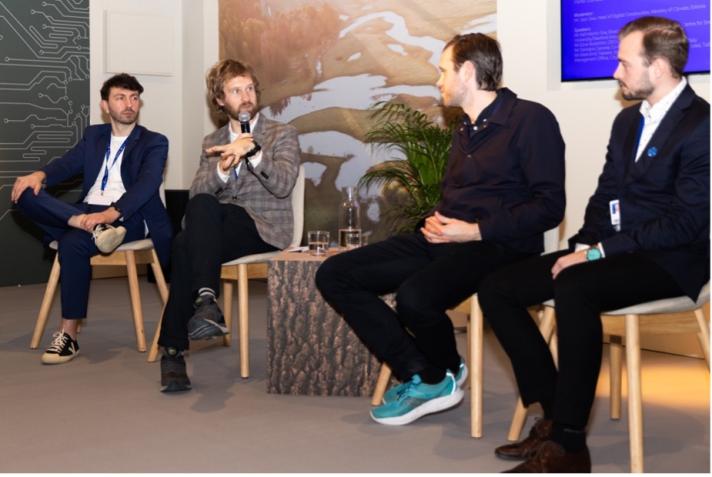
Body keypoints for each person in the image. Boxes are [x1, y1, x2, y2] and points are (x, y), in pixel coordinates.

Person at [478, 16, 709, 473]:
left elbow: (686, 223)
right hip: (613, 251)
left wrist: (599, 254)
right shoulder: (627, 122)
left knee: (576, 286)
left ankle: (569, 446)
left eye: (624, 62)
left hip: (672, 259)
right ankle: (553, 410)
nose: (615, 72)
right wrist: (582, 244)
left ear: (658, 66)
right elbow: (606, 196)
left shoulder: (701, 126)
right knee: (497, 288)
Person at [315, 33, 566, 426]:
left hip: (499, 246)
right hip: (445, 239)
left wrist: (475, 230)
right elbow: (459, 197)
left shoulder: (531, 120)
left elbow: (550, 206)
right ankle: (428, 373)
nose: (438, 80)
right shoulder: (463, 130)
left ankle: (436, 374)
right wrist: (435, 219)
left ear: (467, 72)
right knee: (335, 274)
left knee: (415, 298)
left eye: (443, 70)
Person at [158, 59, 301, 393]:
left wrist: (252, 153)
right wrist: (221, 169)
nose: (246, 96)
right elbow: (195, 198)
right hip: (218, 228)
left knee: (184, 244)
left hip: (263, 228)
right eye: (236, 91)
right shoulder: (213, 139)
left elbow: (281, 185)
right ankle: (206, 302)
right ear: (220, 101)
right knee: (198, 214)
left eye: (249, 88)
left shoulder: (283, 134)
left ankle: (174, 349)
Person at [11, 73, 172, 365]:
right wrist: (40, 175)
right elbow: (67, 164)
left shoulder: (154, 142)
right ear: (105, 105)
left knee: (73, 244)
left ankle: (68, 334)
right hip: (87, 213)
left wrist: (111, 213)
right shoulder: (94, 136)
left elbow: (147, 185)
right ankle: (80, 223)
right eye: (120, 98)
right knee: (24, 193)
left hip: (127, 217)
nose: (128, 104)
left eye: (134, 98)